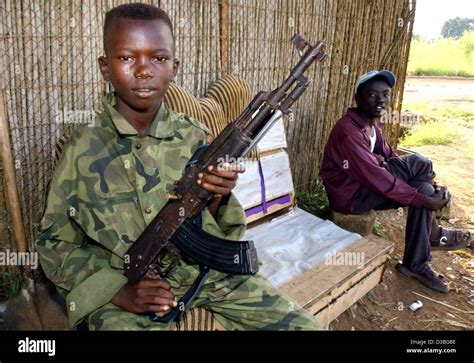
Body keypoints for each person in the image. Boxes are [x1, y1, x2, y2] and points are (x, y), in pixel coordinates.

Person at [35, 3, 320, 331]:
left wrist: (217, 196)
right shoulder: (80, 150)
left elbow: (225, 228)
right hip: (129, 290)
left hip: (209, 275)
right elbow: (54, 242)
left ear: (174, 66)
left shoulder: (194, 135)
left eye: (158, 58)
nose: (143, 70)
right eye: (127, 57)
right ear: (104, 66)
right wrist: (116, 292)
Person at [320, 70, 471, 294]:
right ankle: (433, 234)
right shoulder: (348, 130)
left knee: (423, 188)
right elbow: (375, 176)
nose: (380, 100)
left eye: (385, 94)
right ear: (357, 98)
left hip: (365, 190)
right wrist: (426, 200)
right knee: (421, 163)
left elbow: (390, 158)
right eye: (372, 94)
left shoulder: (372, 126)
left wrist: (425, 196)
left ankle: (415, 264)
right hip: (350, 197)